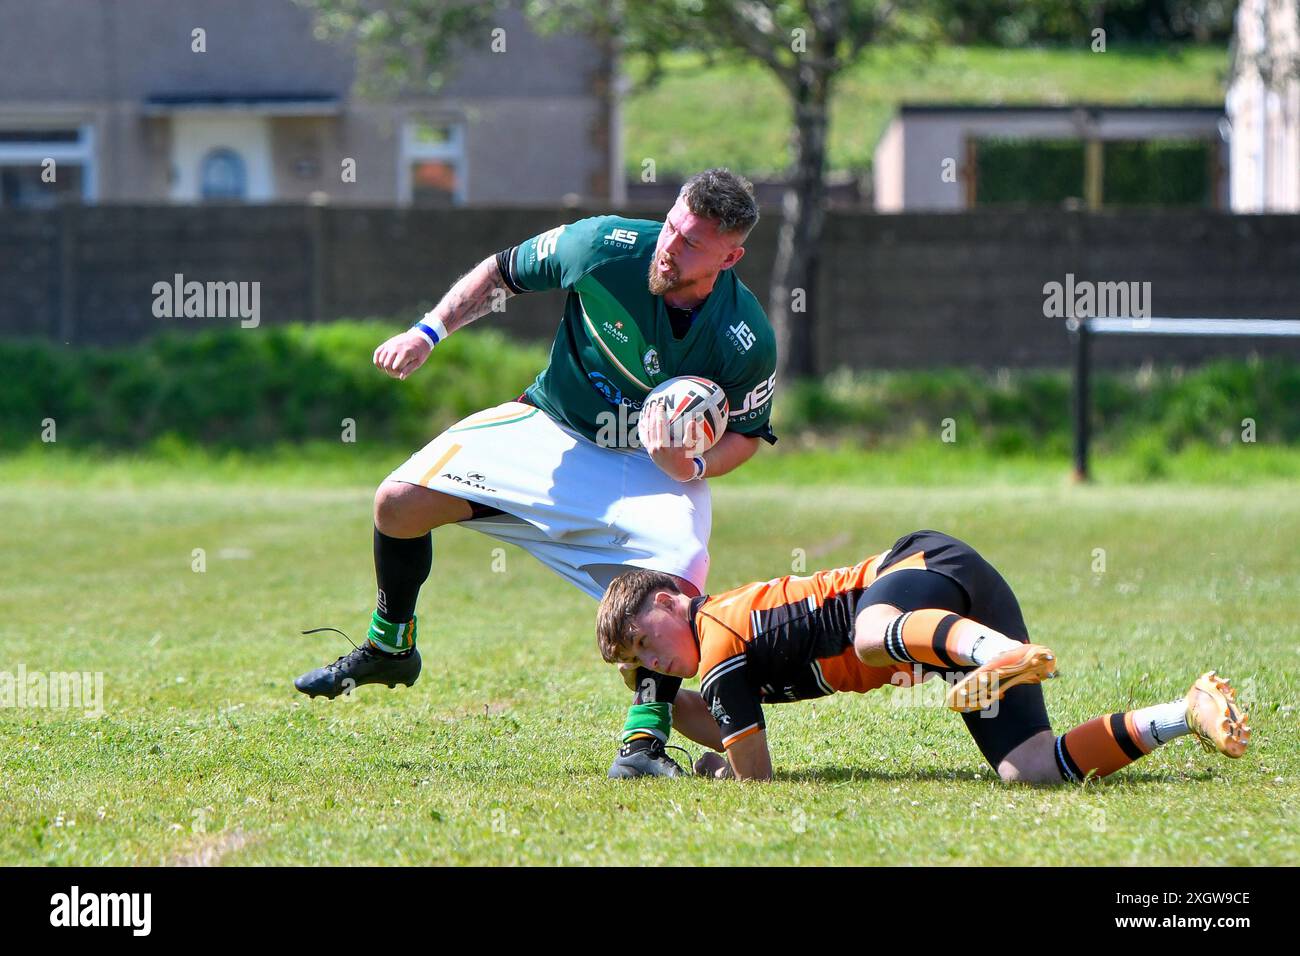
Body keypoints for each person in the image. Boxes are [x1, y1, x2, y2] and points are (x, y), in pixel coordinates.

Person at [294, 168, 778, 777]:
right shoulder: (603, 247)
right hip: (550, 426)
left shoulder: (744, 336)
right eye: (672, 227)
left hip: (644, 468)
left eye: (691, 245)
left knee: (677, 568)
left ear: (730, 257)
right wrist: (429, 331)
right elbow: (504, 270)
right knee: (398, 501)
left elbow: (748, 435)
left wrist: (695, 462)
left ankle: (644, 744)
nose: (670, 247)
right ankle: (391, 642)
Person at [595, 530, 1250, 782]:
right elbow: (718, 721)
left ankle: (1003, 654)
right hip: (946, 627)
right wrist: (653, 696)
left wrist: (720, 773)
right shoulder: (716, 671)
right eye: (635, 655)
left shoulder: (719, 635)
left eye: (643, 634)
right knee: (1031, 770)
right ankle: (1185, 712)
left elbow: (753, 773)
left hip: (922, 570)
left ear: (674, 592)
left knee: (868, 633)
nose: (649, 654)